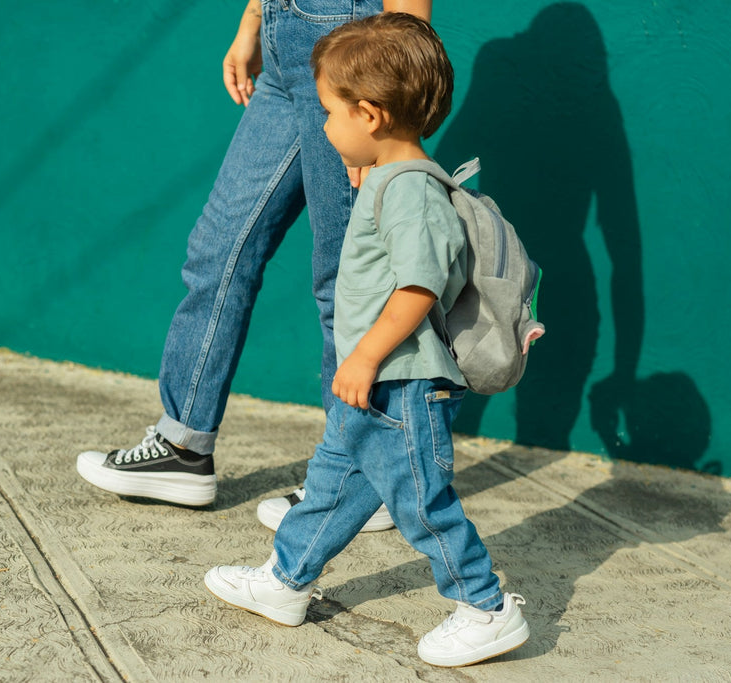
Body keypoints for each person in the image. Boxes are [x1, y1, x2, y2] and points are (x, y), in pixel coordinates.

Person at [203, 13, 529, 667]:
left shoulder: (410, 194)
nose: (322, 128)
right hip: (379, 384)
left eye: (330, 113)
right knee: (330, 484)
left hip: (405, 383)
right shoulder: (393, 178)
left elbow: (417, 287)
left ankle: (486, 607)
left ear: (372, 115)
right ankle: (286, 580)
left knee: (422, 504)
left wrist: (365, 355)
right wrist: (370, 170)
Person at [76, 0, 432, 531]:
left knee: (347, 279)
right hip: (285, 40)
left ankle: (361, 477)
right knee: (218, 248)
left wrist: (391, 129)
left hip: (351, 42)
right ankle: (184, 447)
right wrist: (254, 21)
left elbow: (409, 20)